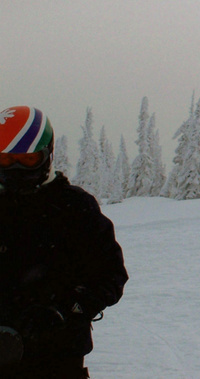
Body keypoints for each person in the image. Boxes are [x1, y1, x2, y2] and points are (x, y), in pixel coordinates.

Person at [0, 106, 128, 378]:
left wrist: (64, 309)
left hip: (58, 357)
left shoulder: (74, 208)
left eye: (29, 158)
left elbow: (111, 275)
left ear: (47, 155)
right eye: (7, 160)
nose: (17, 168)